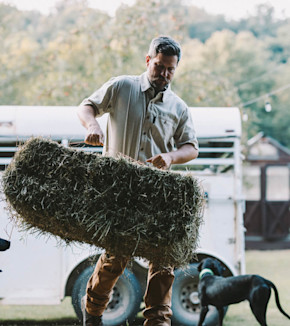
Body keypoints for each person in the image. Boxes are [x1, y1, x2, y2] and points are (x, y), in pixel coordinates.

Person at [77, 35, 199, 326]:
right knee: (115, 258)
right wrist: (93, 125)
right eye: (159, 67)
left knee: (164, 262)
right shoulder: (122, 87)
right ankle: (92, 313)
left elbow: (191, 148)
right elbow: (86, 106)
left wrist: (170, 157)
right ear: (148, 61)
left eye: (170, 69)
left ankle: (158, 321)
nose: (165, 74)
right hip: (119, 191)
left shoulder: (179, 107)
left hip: (159, 195)